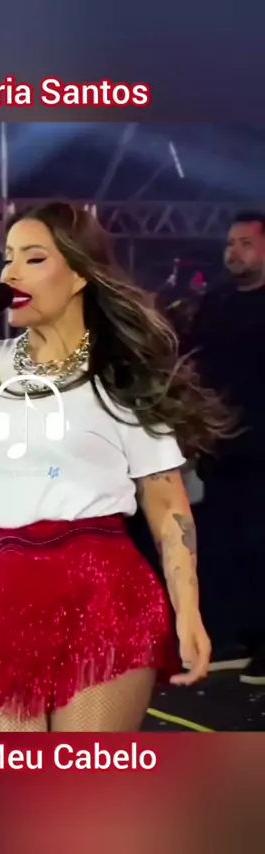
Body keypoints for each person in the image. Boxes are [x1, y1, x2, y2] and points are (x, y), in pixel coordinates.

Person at [0, 202, 230, 733]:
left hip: (104, 593)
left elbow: (166, 500)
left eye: (34, 258)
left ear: (80, 273)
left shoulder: (119, 372)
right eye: (7, 258)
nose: (11, 273)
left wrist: (189, 610)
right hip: (12, 592)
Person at [191, 211, 265, 685]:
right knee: (221, 542)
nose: (233, 252)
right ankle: (232, 637)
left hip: (262, 449)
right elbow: (193, 365)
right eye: (230, 243)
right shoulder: (215, 302)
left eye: (245, 243)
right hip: (221, 445)